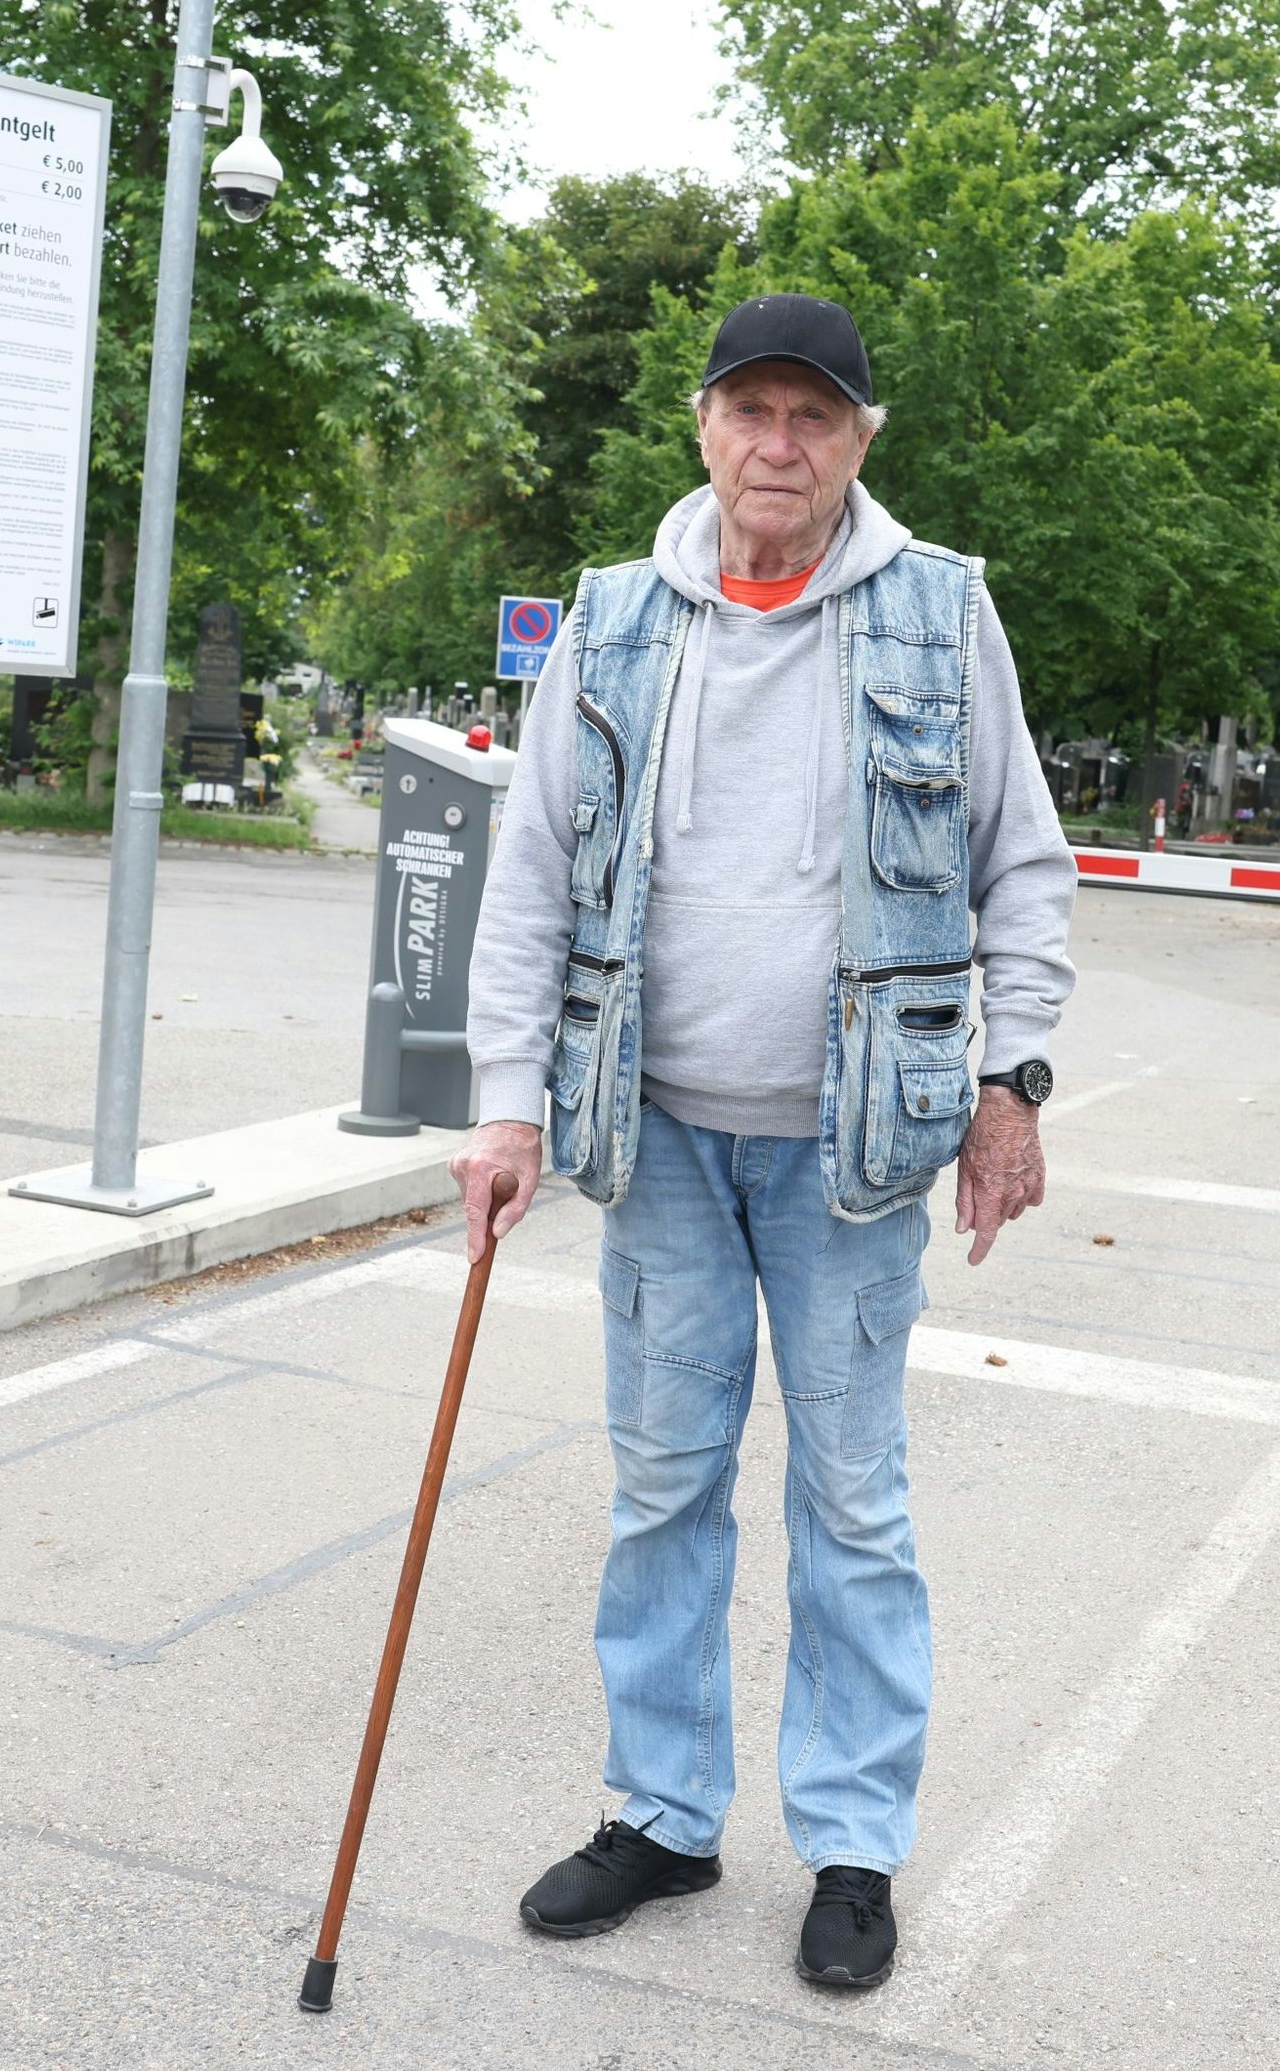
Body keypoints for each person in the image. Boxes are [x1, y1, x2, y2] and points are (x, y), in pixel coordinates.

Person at [453, 292, 1077, 1992]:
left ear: (862, 439)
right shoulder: (615, 620)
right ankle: (663, 1811)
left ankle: (854, 1843)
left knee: (852, 1501)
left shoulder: (945, 617)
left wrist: (1012, 1083)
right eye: (753, 412)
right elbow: (533, 879)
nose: (779, 445)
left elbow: (1022, 864)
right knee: (663, 1491)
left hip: (850, 1153)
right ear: (704, 428)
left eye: (815, 416)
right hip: (654, 1138)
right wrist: (509, 1101)